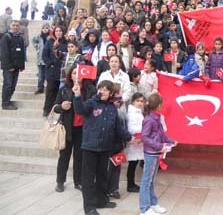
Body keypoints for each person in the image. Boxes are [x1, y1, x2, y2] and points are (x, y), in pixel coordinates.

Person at [73, 80, 131, 215]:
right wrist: (77, 95)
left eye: (106, 90)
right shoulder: (91, 103)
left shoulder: (112, 108)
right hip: (90, 147)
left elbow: (118, 128)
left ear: (111, 93)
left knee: (102, 176)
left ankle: (102, 200)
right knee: (88, 179)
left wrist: (130, 138)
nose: (102, 91)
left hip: (105, 148)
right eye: (101, 89)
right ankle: (89, 207)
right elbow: (79, 109)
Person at [54, 66, 96, 192]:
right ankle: (60, 182)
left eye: (79, 73)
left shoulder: (90, 89)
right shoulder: (64, 89)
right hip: (68, 128)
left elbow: (93, 106)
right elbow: (55, 107)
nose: (76, 75)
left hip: (83, 128)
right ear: (70, 76)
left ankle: (78, 181)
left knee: (80, 157)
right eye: (73, 73)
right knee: (64, 156)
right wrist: (61, 106)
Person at [139, 93, 176, 215]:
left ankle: (153, 204)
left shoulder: (157, 117)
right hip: (150, 153)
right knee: (146, 181)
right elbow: (144, 137)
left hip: (155, 153)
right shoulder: (149, 120)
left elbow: (161, 135)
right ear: (159, 105)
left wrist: (170, 141)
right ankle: (144, 208)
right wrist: (160, 146)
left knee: (151, 180)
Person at [42, 26, 68, 116]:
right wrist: (50, 64)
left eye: (60, 31)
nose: (58, 33)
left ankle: (57, 109)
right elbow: (44, 55)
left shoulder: (66, 43)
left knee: (60, 92)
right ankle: (47, 109)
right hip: (52, 71)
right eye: (56, 31)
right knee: (50, 91)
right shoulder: (49, 42)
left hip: (62, 71)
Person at [0, 20, 25, 110]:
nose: (15, 27)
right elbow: (4, 53)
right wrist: (9, 66)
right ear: (10, 26)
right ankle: (5, 104)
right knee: (8, 85)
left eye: (17, 25)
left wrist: (22, 65)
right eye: (13, 25)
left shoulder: (20, 37)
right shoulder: (6, 37)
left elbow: (22, 52)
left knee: (13, 86)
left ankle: (8, 100)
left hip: (17, 66)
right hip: (8, 67)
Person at [32, 23, 51, 94]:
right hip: (40, 59)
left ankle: (49, 88)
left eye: (47, 28)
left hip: (48, 58)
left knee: (48, 75)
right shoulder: (39, 36)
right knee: (40, 75)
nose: (45, 30)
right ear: (42, 29)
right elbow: (33, 40)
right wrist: (37, 47)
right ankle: (40, 88)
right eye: (44, 28)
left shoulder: (50, 37)